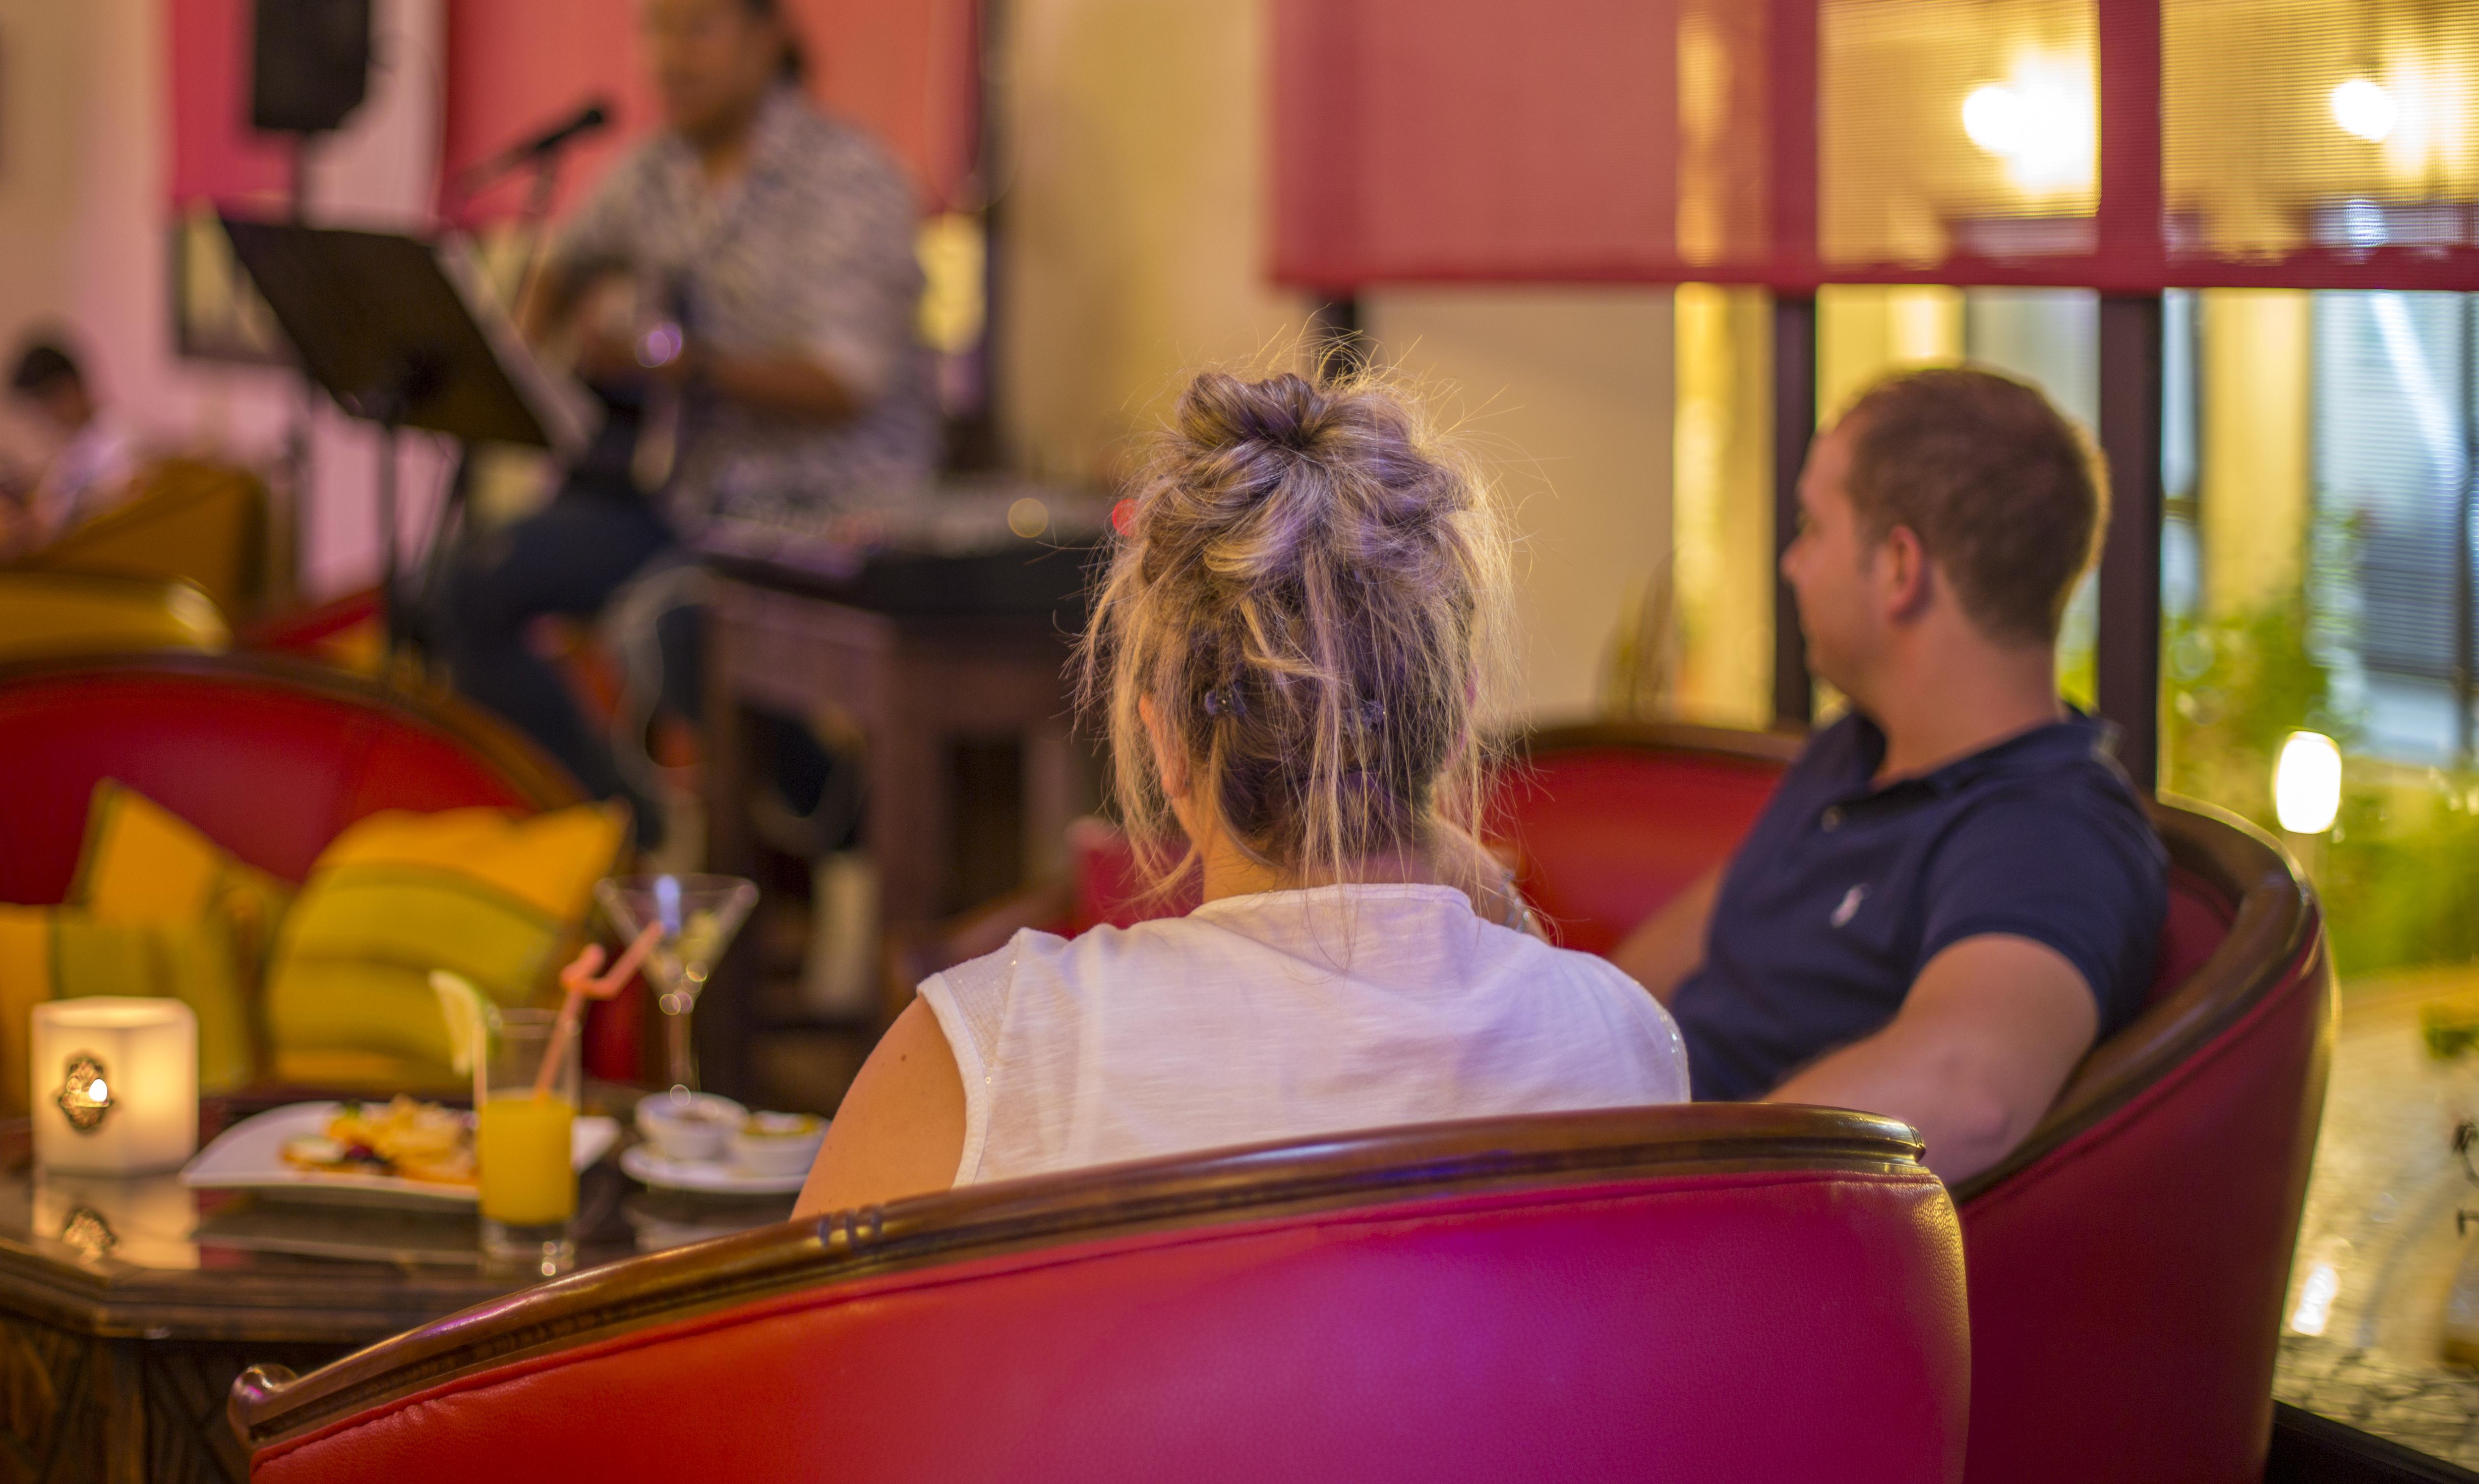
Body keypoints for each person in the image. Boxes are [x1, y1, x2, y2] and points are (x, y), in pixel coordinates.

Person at [795, 370, 1687, 1216]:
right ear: (1456, 725)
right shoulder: (1624, 1045)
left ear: (1166, 744)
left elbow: (804, 1365)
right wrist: (1502, 905)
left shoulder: (986, 1054)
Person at [434, 0, 936, 846]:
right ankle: (613, 831)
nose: (669, 57)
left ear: (765, 37)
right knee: (462, 584)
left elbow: (846, 382)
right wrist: (536, 349)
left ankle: (835, 818)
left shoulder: (848, 179)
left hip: (829, 514)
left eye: (697, 29)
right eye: (655, 31)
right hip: (692, 497)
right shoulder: (654, 171)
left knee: (665, 624)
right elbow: (570, 256)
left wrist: (682, 363)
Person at [1612, 366, 2166, 1182]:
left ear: (1900, 567)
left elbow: (1971, 1089)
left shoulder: (2051, 831)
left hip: (1694, 1238)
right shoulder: (1855, 749)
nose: (1794, 563)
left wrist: (1649, 1193)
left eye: (1813, 526)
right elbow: (1690, 940)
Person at [0, 330, 141, 550]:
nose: (42, 420)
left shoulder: (121, 440)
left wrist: (43, 530)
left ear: (68, 389)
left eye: (42, 406)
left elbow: (115, 515)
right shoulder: (75, 445)